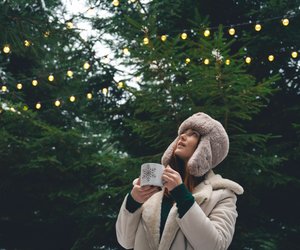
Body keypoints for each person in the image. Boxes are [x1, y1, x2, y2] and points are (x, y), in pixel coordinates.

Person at [116, 112, 244, 250]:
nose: (182, 136)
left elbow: (215, 246)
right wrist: (133, 202)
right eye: (183, 132)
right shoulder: (154, 188)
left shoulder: (222, 195)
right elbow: (125, 242)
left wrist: (181, 195)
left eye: (193, 134)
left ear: (207, 148)